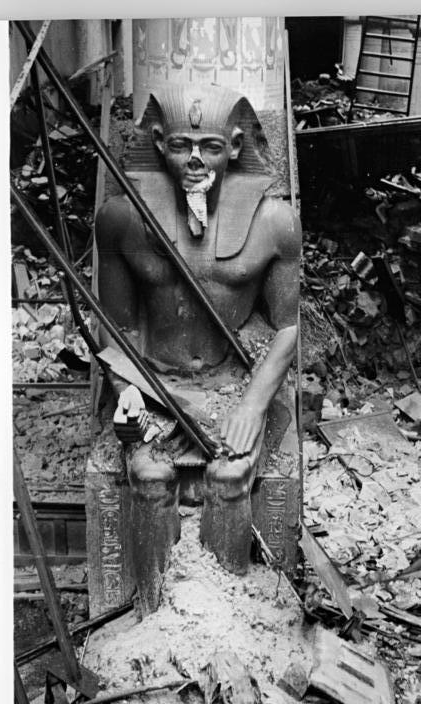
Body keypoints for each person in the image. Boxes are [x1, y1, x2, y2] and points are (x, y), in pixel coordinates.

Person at [95, 84, 301, 614]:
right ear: (158, 143)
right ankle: (156, 614)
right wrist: (125, 392)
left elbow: (287, 327)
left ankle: (226, 609)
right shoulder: (121, 219)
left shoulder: (275, 223)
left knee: (230, 475)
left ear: (235, 147)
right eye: (180, 145)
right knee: (149, 475)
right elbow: (114, 329)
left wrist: (254, 404)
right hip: (154, 383)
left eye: (209, 147)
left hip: (231, 380)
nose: (193, 160)